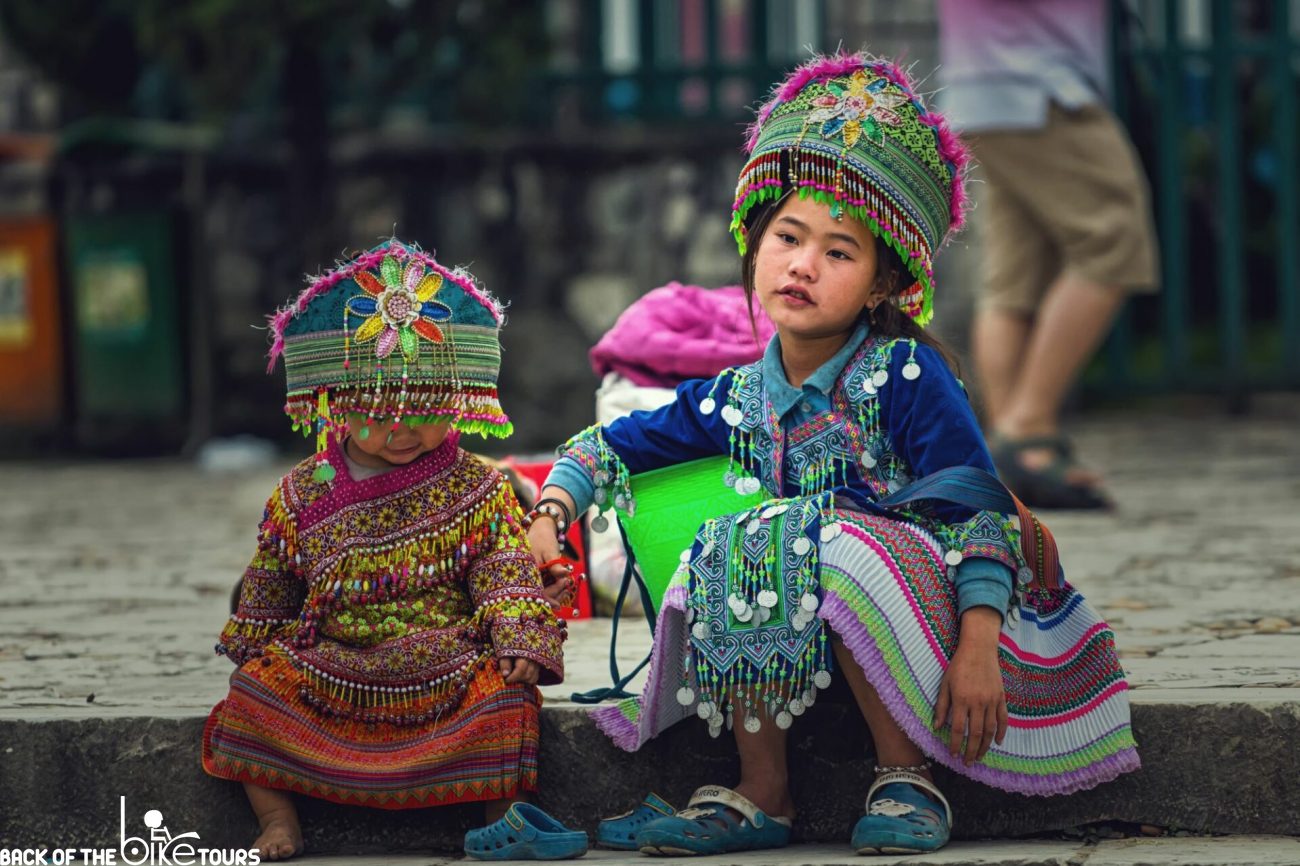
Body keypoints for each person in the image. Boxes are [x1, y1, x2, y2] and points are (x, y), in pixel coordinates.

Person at [527, 55, 1139, 856]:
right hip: (814, 634)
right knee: (734, 541)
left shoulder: (909, 377)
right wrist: (552, 511)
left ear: (883, 286)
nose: (803, 265)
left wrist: (981, 646)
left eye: (839, 252)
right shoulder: (734, 397)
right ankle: (763, 790)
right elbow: (610, 445)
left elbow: (978, 508)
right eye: (788, 237)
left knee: (830, 538)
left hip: (944, 621)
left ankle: (905, 777)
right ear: (756, 247)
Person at [202, 239, 586, 861]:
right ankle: (278, 822)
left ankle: (505, 820)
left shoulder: (478, 486)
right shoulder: (302, 492)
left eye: (426, 410)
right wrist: (253, 644)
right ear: (339, 403)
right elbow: (272, 580)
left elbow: (504, 573)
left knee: (510, 696)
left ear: (458, 398)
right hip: (333, 668)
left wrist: (521, 640)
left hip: (443, 669)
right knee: (250, 694)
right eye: (381, 413)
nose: (405, 430)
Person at [936, 0, 1161, 509]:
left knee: (1016, 273)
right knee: (1113, 244)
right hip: (1041, 85)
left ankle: (1009, 460)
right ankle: (1026, 430)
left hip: (985, 87)